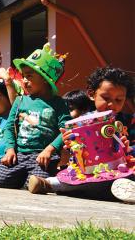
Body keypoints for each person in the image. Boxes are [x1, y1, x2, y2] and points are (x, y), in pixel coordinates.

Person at [29, 67, 135, 203]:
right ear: (91, 94)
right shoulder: (81, 124)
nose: (111, 104)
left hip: (122, 172)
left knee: (124, 179)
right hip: (90, 174)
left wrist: (128, 149)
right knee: (81, 179)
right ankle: (50, 184)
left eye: (118, 100)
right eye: (106, 98)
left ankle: (52, 185)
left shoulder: (128, 121)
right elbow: (74, 154)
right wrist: (69, 145)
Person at [0, 43, 71, 189]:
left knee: (36, 183)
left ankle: (36, 181)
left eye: (29, 76)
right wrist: (10, 149)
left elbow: (65, 129)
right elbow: (9, 127)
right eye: (23, 76)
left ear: (45, 79)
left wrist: (50, 150)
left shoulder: (58, 103)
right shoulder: (20, 101)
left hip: (44, 156)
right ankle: (25, 180)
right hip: (20, 154)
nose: (24, 80)